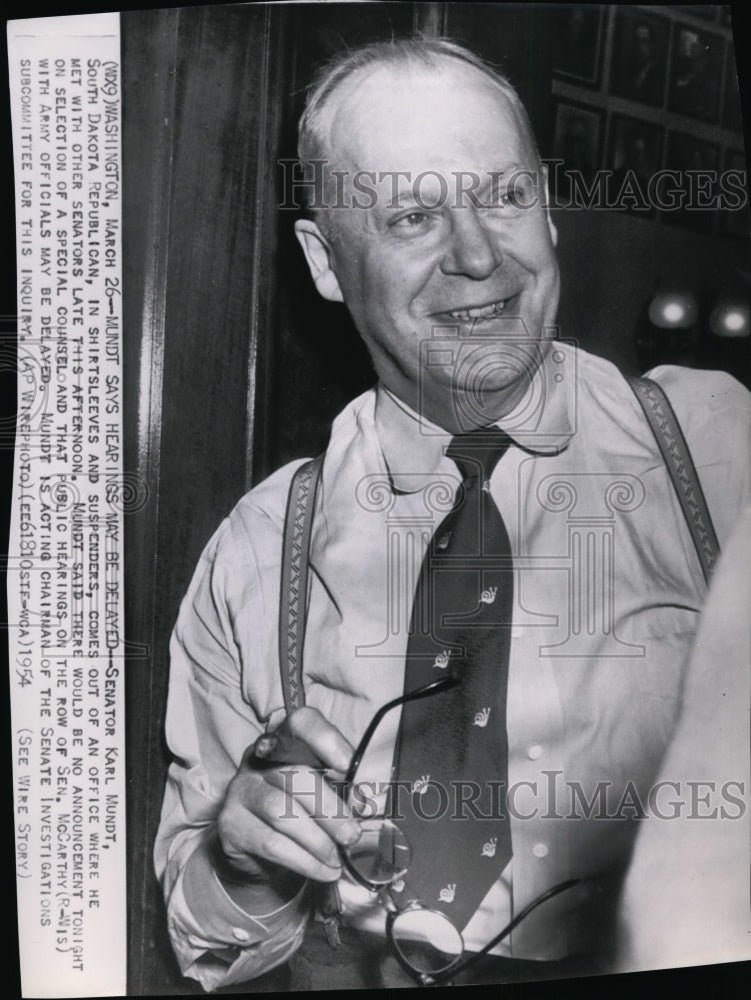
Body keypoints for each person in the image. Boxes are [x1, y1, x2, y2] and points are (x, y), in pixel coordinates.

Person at [154, 38, 751, 992]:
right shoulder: (261, 547)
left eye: (505, 196)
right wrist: (245, 858)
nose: (477, 255)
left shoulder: (721, 454)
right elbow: (208, 938)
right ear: (325, 262)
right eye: (411, 217)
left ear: (548, 210)